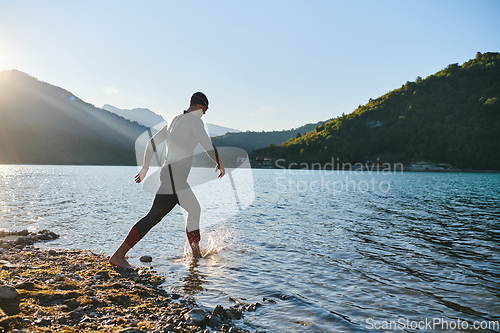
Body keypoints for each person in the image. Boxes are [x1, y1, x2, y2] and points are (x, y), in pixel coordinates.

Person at [109, 92, 225, 268]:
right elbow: (208, 145)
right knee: (155, 215)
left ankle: (195, 256)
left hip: (169, 174)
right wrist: (219, 162)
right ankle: (118, 256)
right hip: (175, 176)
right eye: (206, 110)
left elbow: (151, 144)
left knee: (190, 210)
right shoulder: (195, 121)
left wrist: (145, 168)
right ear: (201, 106)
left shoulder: (174, 121)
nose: (205, 114)